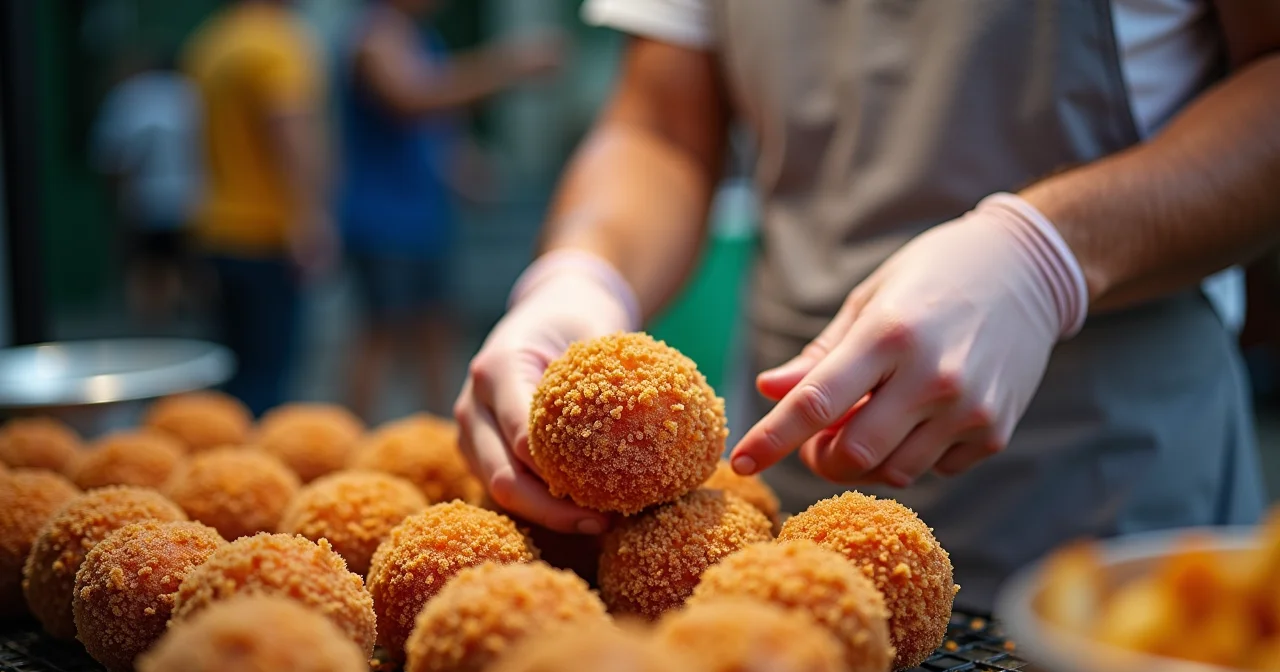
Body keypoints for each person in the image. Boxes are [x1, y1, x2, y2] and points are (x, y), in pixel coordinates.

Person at [456, 0, 1280, 610]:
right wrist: (582, 273)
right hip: (785, 473)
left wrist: (1049, 255)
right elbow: (662, 124)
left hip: (1113, 492)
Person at [339, 0, 561, 421]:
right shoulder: (374, 36)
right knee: (381, 334)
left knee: (437, 330)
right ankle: (353, 434)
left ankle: (444, 430)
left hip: (425, 221)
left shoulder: (424, 40)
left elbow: (435, 129)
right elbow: (413, 96)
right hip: (382, 222)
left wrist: (465, 168)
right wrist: (507, 65)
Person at [182, 0, 334, 416]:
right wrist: (311, 217)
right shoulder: (276, 42)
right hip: (266, 233)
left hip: (215, 228)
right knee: (268, 379)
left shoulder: (212, 41)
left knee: (234, 374)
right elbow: (290, 132)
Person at [90, 55, 203, 327]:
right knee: (184, 267)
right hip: (191, 199)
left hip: (149, 200)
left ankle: (156, 326)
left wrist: (117, 200)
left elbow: (112, 158)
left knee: (150, 269)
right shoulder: (191, 92)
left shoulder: (128, 97)